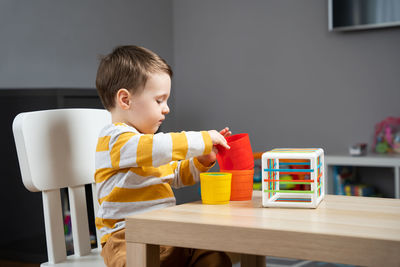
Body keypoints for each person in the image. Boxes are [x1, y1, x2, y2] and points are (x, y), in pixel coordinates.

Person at [94, 45, 232, 267]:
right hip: (126, 238)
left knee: (212, 253)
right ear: (125, 100)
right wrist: (203, 138)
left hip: (166, 230)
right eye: (159, 100)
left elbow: (176, 174)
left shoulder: (146, 148)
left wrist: (201, 161)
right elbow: (157, 147)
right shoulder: (116, 140)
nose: (166, 109)